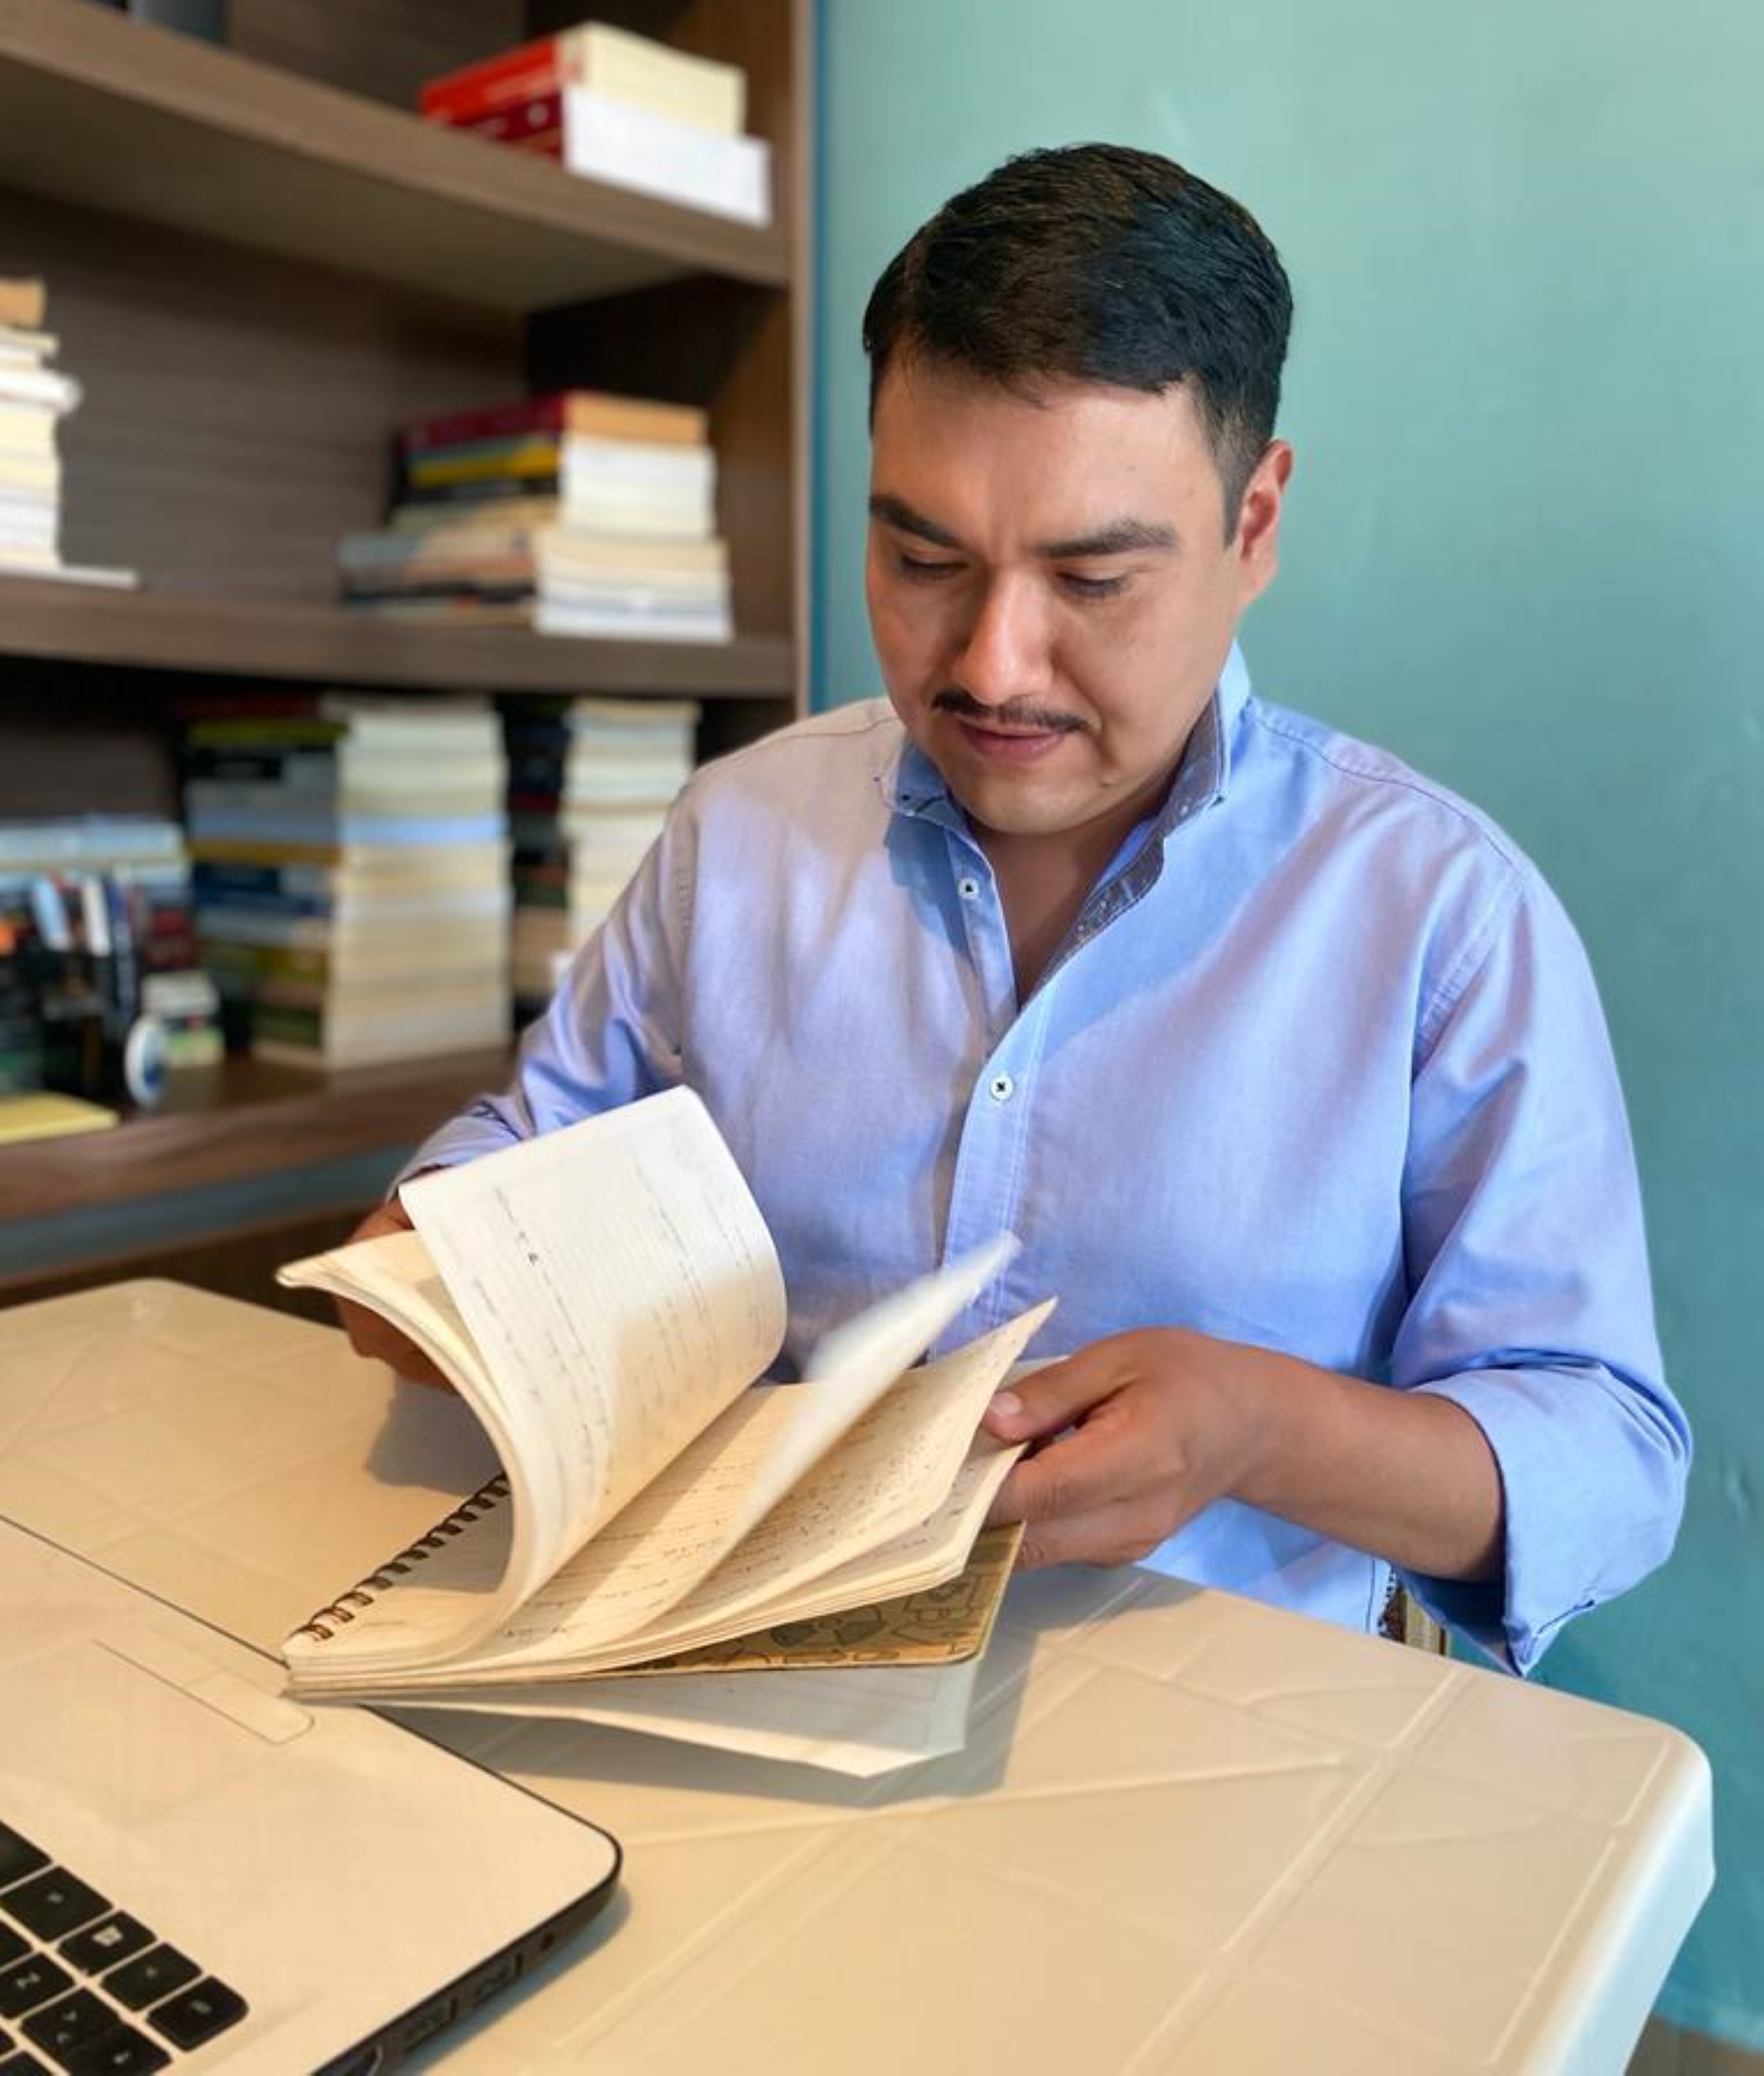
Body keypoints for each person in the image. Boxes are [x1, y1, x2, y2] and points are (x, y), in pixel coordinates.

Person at [343, 143, 1688, 1674]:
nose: (990, 664)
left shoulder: (1438, 917)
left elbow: (1604, 1453)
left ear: (1254, 523)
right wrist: (435, 1251)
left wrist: (1256, 1429)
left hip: (1224, 1728)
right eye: (923, 558)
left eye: (1093, 580)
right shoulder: (741, 834)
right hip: (740, 1659)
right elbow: (528, 1145)